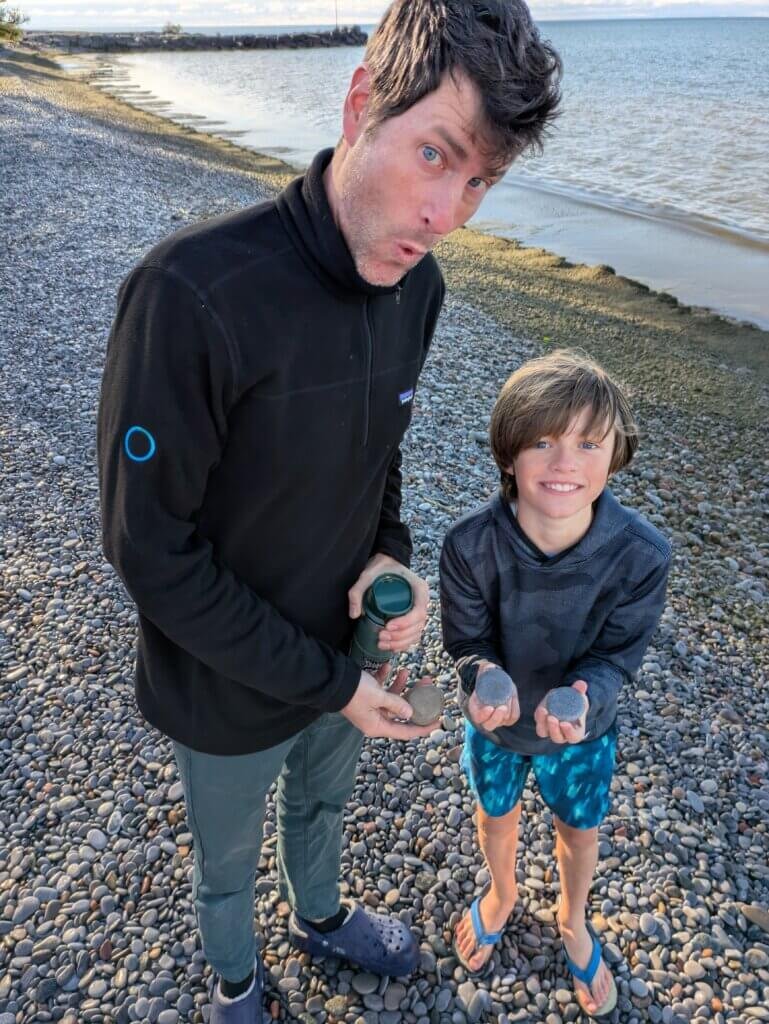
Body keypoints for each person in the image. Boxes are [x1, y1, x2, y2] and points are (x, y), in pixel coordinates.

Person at [97, 2, 561, 1020]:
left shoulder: (418, 288)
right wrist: (331, 682)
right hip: (221, 684)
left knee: (324, 803)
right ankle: (235, 984)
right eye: (436, 155)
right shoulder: (191, 292)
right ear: (362, 103)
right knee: (223, 860)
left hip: (347, 651)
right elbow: (148, 549)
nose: (449, 213)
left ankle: (319, 917)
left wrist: (385, 556)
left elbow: (375, 455)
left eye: (479, 180)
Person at [439, 350, 671, 1018]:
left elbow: (619, 652)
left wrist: (583, 692)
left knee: (578, 828)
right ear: (507, 454)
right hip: (496, 725)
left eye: (586, 443)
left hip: (582, 731)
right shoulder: (467, 546)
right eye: (541, 441)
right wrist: (480, 675)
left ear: (615, 456)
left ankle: (572, 919)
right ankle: (502, 893)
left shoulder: (641, 555)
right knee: (495, 814)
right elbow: (464, 639)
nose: (563, 462)